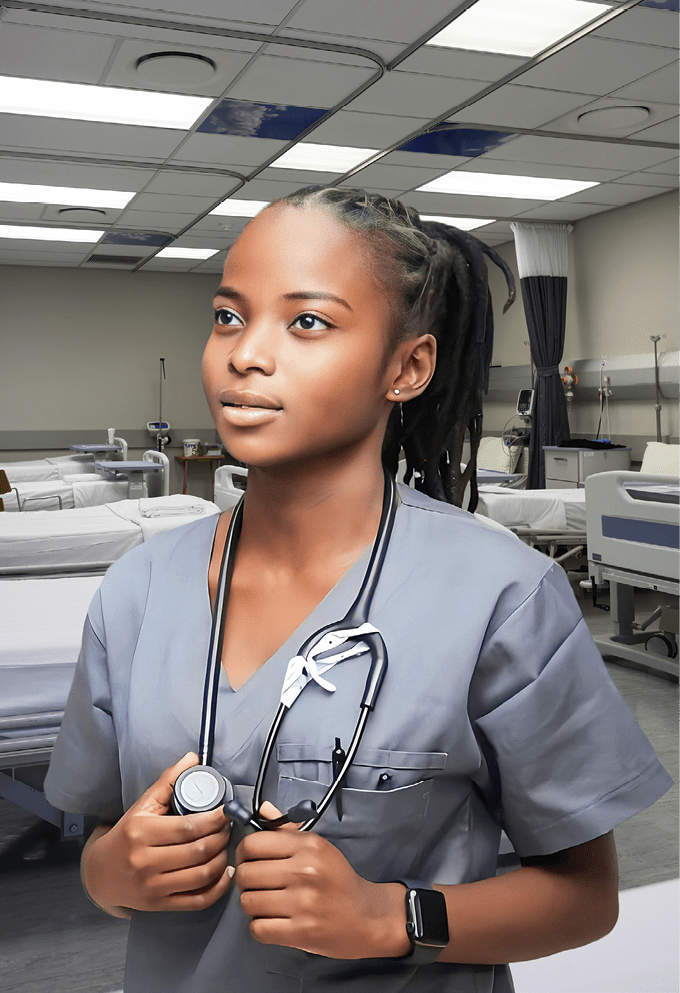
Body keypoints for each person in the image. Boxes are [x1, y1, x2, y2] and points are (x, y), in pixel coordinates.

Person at [44, 187, 672, 992]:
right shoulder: (136, 589)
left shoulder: (500, 596)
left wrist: (389, 917)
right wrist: (110, 875)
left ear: (405, 367)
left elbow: (585, 898)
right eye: (229, 316)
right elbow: (100, 839)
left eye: (306, 322)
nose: (244, 353)